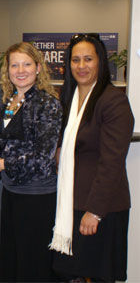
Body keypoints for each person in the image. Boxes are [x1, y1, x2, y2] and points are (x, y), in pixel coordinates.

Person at [50, 34, 134, 282]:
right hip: (71, 205)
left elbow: (112, 163)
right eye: (75, 60)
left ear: (100, 61)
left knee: (98, 275)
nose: (81, 66)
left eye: (88, 59)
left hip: (99, 209)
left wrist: (94, 211)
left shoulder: (113, 101)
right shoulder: (69, 100)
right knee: (68, 272)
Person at [0, 42, 62, 282]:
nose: (20, 70)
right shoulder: (10, 102)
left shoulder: (48, 104)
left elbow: (42, 157)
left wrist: (3, 165)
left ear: (38, 68)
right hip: (12, 193)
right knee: (12, 261)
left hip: (37, 198)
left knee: (33, 266)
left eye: (27, 64)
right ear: (7, 70)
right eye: (14, 64)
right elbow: (3, 135)